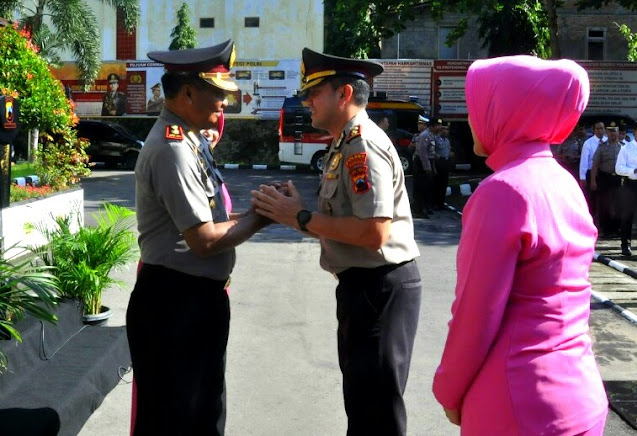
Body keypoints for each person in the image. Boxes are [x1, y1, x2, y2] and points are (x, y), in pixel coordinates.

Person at [432, 55, 608, 435]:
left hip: (519, 401)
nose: (471, 117)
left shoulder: (503, 191)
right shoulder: (562, 182)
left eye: (479, 105)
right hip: (579, 394)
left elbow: (475, 314)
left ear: (508, 112)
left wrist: (447, 389)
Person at [251, 47, 422, 436]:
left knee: (375, 413)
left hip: (379, 286)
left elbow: (374, 233)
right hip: (364, 287)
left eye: (314, 92)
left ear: (343, 94)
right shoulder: (344, 143)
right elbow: (345, 224)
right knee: (363, 407)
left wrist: (302, 217)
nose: (306, 100)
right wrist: (296, 215)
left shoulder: (361, 144)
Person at [127, 39, 271, 436]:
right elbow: (204, 240)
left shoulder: (191, 141)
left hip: (194, 302)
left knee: (203, 415)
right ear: (188, 91)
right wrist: (263, 217)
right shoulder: (174, 148)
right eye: (218, 93)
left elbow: (216, 220)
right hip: (175, 304)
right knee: (176, 419)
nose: (225, 103)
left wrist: (260, 212)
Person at [591, 122, 622, 237]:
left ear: (618, 132)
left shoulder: (623, 147)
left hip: (619, 179)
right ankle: (606, 229)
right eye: (610, 131)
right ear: (607, 133)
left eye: (615, 131)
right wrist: (593, 181)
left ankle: (617, 228)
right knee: (605, 204)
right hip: (605, 178)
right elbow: (595, 165)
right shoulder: (602, 147)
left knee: (619, 204)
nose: (613, 134)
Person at [615, 123, 637, 256]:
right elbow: (618, 168)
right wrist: (633, 170)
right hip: (631, 184)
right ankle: (625, 245)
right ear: (635, 132)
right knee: (627, 215)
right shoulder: (626, 148)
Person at [579, 121, 607, 221]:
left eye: (601, 128)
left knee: (605, 199)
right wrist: (582, 177)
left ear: (604, 129)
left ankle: (604, 221)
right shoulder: (588, 143)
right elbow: (584, 161)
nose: (600, 131)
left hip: (605, 173)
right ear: (594, 130)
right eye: (597, 129)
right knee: (592, 198)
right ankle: (592, 220)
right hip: (592, 174)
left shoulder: (608, 141)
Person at [412, 114, 434, 218]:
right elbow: (422, 153)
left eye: (420, 124)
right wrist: (427, 167)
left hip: (423, 163)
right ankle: (418, 210)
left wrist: (427, 167)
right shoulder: (424, 135)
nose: (418, 125)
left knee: (424, 187)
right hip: (420, 163)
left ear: (425, 125)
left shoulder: (426, 135)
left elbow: (424, 153)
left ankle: (422, 209)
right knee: (420, 187)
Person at [433, 123, 452, 210]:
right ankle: (435, 203)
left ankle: (441, 203)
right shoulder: (436, 139)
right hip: (439, 162)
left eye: (447, 130)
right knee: (438, 183)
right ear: (441, 130)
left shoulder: (447, 141)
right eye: (445, 129)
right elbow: (433, 151)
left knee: (444, 183)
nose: (446, 131)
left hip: (446, 162)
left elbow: (448, 150)